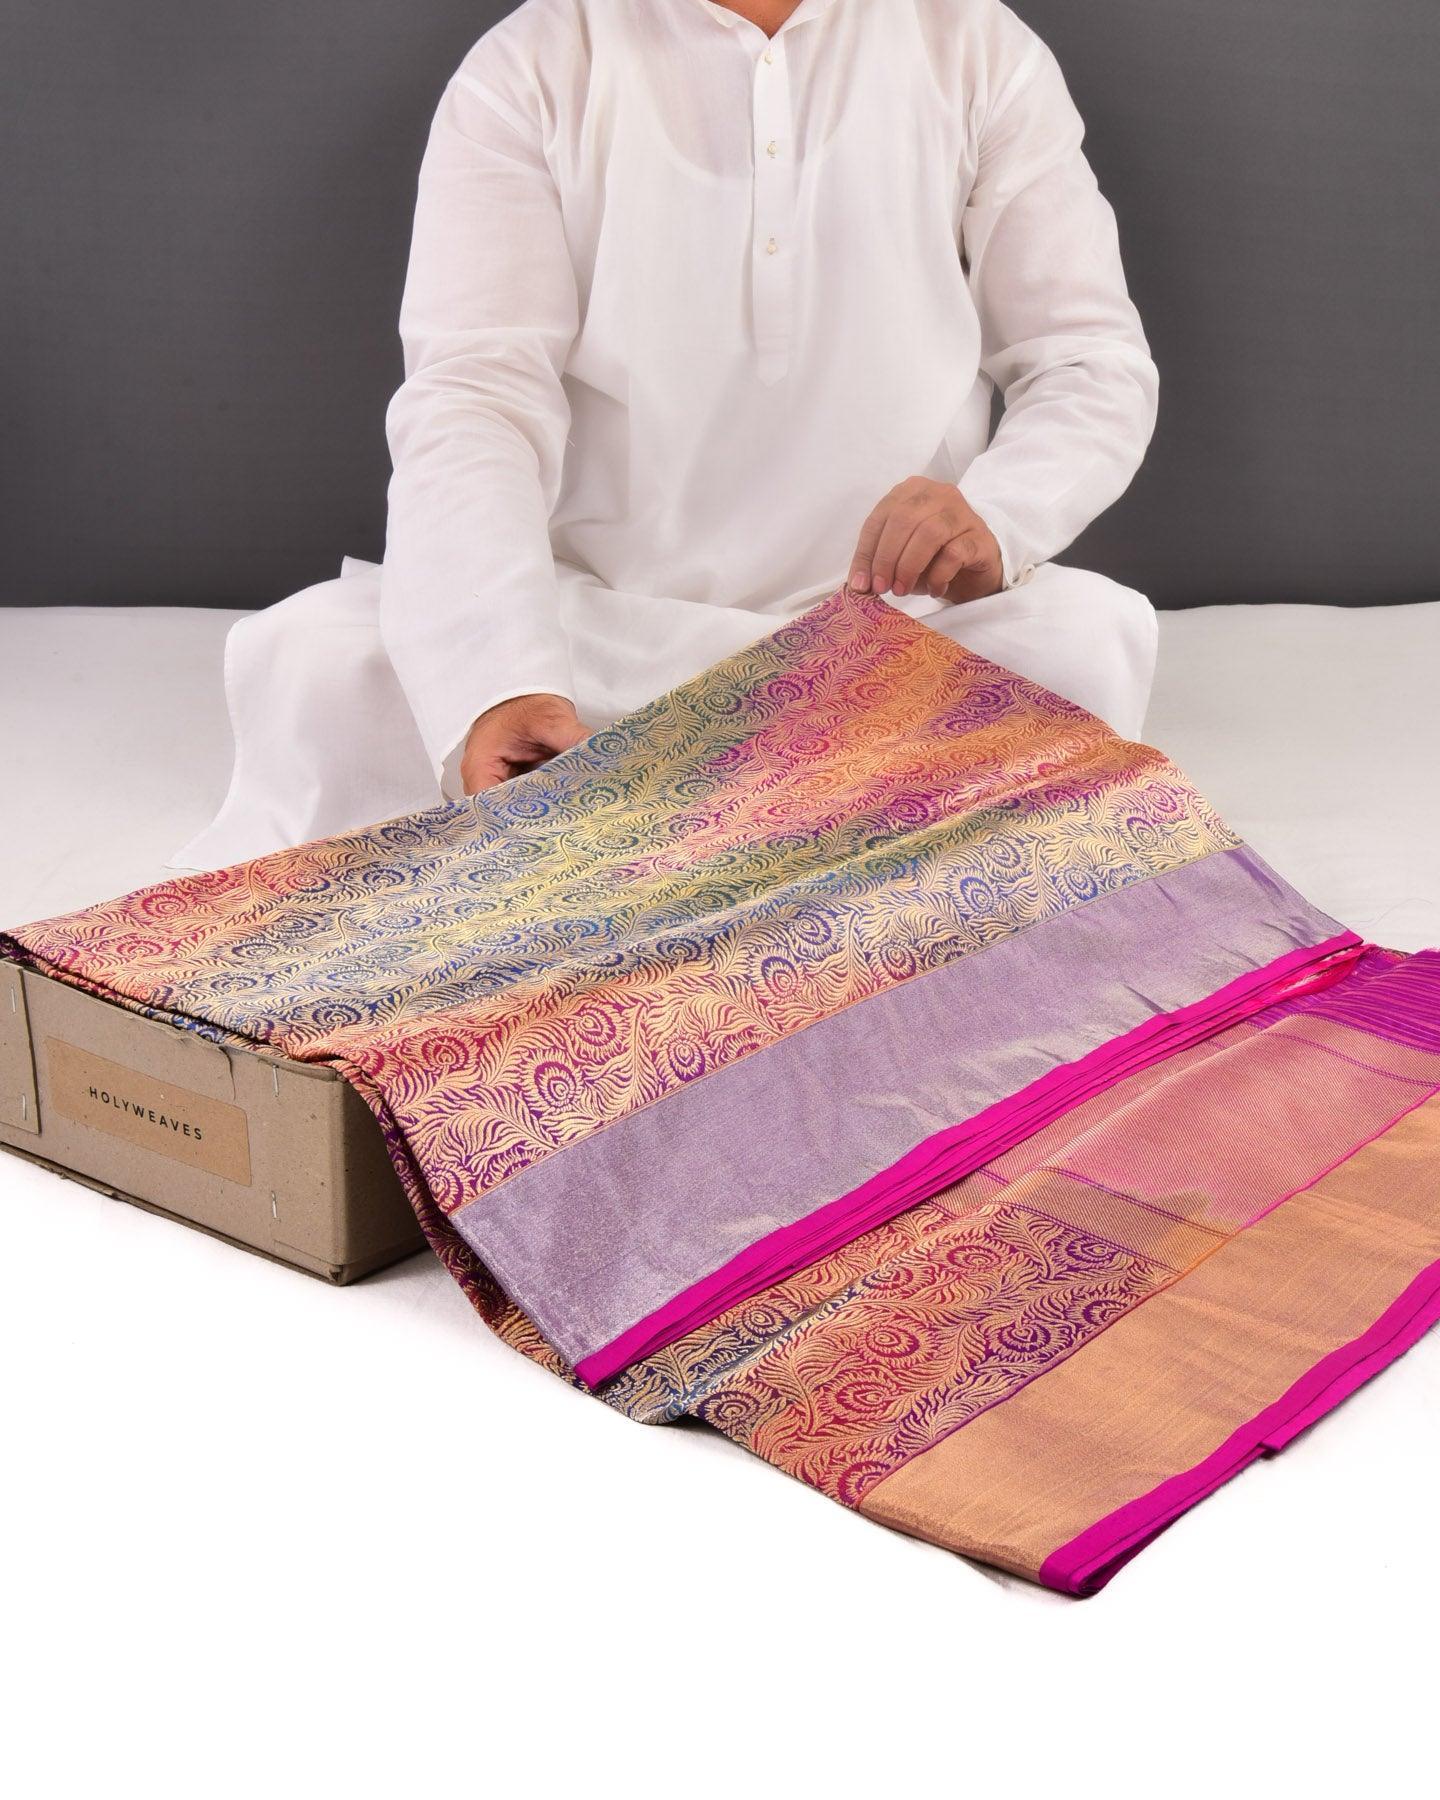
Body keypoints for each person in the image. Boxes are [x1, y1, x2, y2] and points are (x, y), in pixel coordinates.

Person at [175, 0, 1160, 869]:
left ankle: (633, 821)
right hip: (602, 635)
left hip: (890, 641)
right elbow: (474, 401)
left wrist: (996, 517)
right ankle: (779, 808)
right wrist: (502, 685)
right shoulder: (533, 64)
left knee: (1087, 641)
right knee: (317, 661)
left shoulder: (977, 47)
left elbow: (1090, 360)